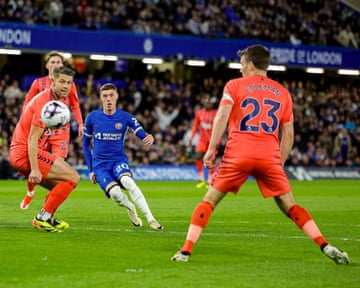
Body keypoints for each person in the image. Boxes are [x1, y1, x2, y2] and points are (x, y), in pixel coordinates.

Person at [171, 45, 350, 264]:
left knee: (209, 201)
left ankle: (186, 251)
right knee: (291, 206)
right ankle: (324, 244)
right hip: (269, 156)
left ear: (251, 64)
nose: (240, 69)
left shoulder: (234, 85)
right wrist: (279, 163)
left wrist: (211, 149)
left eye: (242, 64)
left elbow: (222, 116)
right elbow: (289, 134)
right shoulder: (283, 93)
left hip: (239, 154)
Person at [82, 83, 163, 230]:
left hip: (118, 161)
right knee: (115, 194)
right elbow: (85, 144)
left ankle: (151, 219)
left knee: (128, 182)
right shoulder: (92, 118)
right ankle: (130, 207)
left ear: (117, 96)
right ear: (100, 98)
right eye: (105, 96)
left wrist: (146, 136)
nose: (108, 99)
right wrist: (91, 169)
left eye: (111, 95)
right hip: (100, 165)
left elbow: (138, 129)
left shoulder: (125, 117)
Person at [10, 66, 80, 232]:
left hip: (24, 152)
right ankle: (42, 217)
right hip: (23, 152)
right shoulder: (45, 103)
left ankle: (48, 217)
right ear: (53, 81)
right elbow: (32, 138)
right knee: (73, 177)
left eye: (69, 83)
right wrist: (34, 169)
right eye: (62, 81)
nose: (65, 86)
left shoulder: (56, 101)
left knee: (62, 184)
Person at [19, 51, 84, 210]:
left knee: (58, 165)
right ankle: (30, 191)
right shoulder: (38, 83)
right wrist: (24, 123)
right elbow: (28, 103)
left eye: (58, 62)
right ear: (47, 65)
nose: (55, 65)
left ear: (62, 66)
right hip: (41, 129)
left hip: (61, 131)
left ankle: (48, 207)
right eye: (53, 62)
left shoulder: (69, 84)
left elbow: (75, 104)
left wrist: (81, 123)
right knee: (34, 160)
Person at [188, 95, 218, 189]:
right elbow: (195, 127)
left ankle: (210, 181)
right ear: (203, 103)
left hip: (212, 140)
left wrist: (218, 140)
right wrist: (191, 139)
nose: (208, 103)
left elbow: (219, 127)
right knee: (198, 157)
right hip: (202, 140)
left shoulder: (216, 113)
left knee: (211, 160)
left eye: (209, 102)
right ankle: (202, 180)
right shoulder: (199, 113)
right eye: (206, 102)